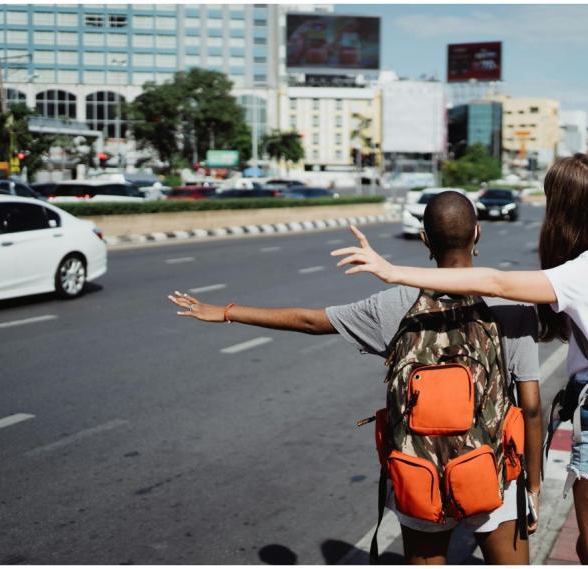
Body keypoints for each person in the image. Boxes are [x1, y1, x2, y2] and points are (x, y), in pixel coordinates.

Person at [331, 154, 588, 565]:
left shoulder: (587, 270)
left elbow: (496, 282)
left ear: (560, 213)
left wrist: (395, 273)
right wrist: (531, 484)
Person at [168, 191, 543, 565]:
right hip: (493, 469)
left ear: (425, 239)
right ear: (477, 233)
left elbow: (309, 321)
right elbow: (530, 406)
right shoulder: (508, 302)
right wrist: (535, 485)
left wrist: (229, 311)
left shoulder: (395, 304)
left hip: (421, 472)